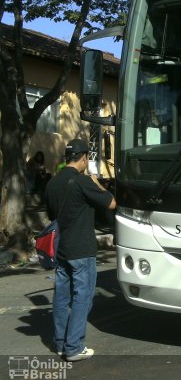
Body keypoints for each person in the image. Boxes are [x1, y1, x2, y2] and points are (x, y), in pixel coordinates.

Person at [45, 139, 116, 362]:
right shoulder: (83, 181)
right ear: (84, 157)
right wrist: (97, 183)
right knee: (82, 298)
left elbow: (50, 215)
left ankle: (60, 344)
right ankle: (74, 347)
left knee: (61, 297)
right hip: (82, 250)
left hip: (61, 250)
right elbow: (111, 203)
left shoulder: (52, 183)